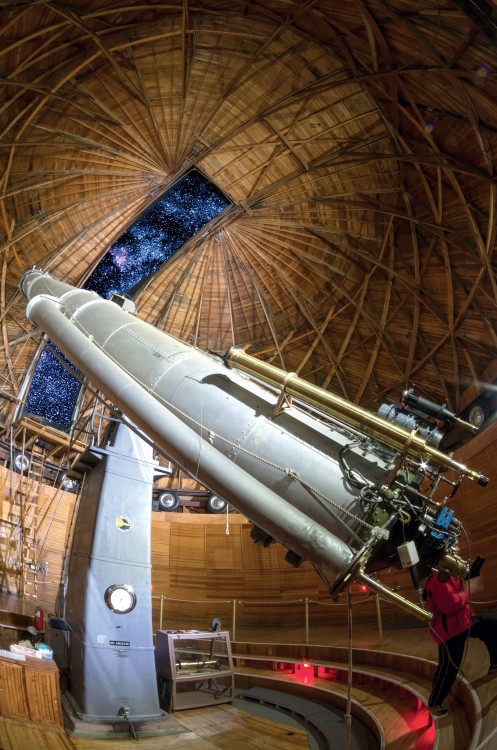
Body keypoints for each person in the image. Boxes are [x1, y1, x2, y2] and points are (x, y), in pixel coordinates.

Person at [424, 569, 497, 716]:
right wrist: (467, 591)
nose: (457, 548)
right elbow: (449, 606)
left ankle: (495, 663)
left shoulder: (447, 573)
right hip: (451, 630)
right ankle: (434, 702)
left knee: (492, 628)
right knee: (448, 667)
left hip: (465, 620)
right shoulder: (440, 577)